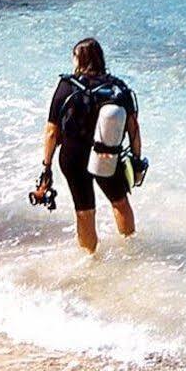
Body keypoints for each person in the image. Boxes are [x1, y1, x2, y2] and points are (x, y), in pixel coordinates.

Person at [37, 37, 144, 253]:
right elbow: (134, 129)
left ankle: (90, 259)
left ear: (79, 60)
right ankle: (131, 250)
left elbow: (51, 132)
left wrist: (46, 167)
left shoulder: (67, 86)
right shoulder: (118, 87)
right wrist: (136, 161)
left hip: (73, 156)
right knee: (120, 202)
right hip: (107, 153)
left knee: (85, 211)